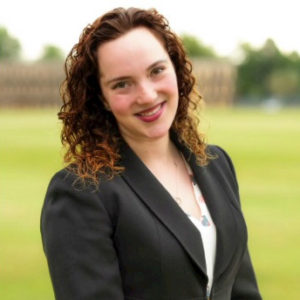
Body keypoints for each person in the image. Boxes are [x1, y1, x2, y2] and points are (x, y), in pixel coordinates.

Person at [41, 7, 262, 300]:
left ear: (176, 68)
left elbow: (242, 290)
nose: (146, 95)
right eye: (122, 84)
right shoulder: (82, 192)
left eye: (156, 71)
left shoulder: (217, 164)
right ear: (102, 99)